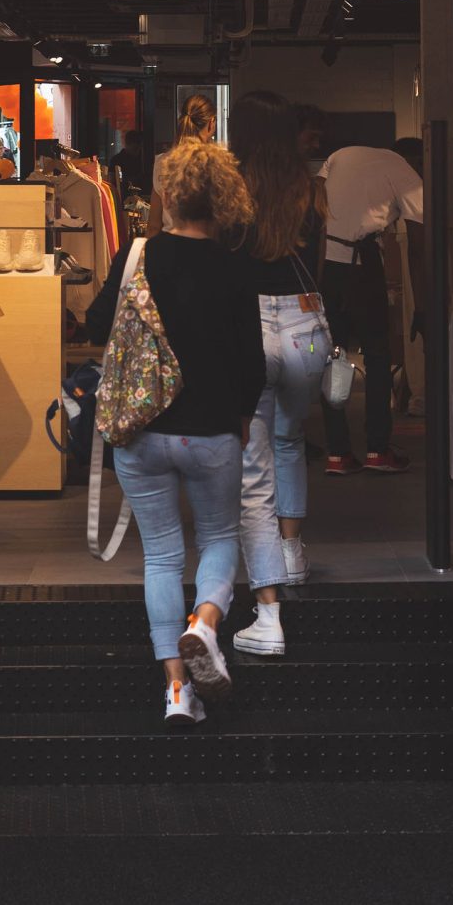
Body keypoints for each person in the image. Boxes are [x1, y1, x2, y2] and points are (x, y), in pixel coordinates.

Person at [86, 135, 265, 724]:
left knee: (161, 557)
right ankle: (207, 624)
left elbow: (94, 325)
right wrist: (240, 415)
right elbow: (252, 362)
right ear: (224, 199)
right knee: (217, 539)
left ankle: (176, 692)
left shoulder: (137, 256)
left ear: (167, 194)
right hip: (211, 430)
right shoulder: (235, 268)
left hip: (142, 432)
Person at [227, 90, 328, 651]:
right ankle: (293, 554)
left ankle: (268, 615)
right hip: (306, 327)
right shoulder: (311, 190)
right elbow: (314, 267)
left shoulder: (233, 193)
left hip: (252, 327)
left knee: (254, 467)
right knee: (291, 438)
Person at [316, 133, 424, 474]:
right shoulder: (407, 173)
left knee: (334, 358)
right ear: (416, 160)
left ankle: (338, 453)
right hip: (361, 266)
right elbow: (420, 246)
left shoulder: (342, 150)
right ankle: (378, 449)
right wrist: (422, 304)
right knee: (377, 357)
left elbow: (316, 198)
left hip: (323, 263)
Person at [147, 94, 215, 235]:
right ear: (211, 123)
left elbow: (154, 225)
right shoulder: (216, 164)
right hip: (207, 249)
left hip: (170, 248)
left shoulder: (162, 163)